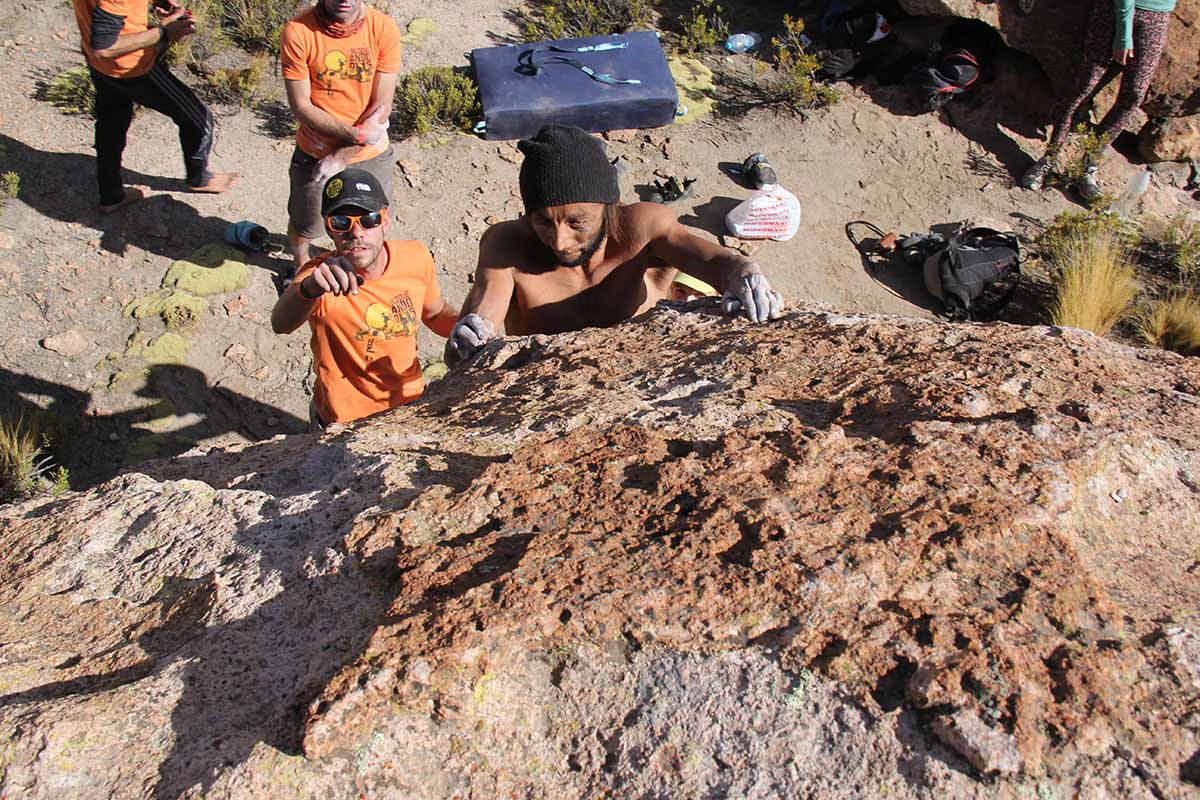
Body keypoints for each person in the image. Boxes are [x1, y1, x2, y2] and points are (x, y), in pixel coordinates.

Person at [446, 124, 784, 364]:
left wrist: (742, 271)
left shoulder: (642, 229)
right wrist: (468, 338)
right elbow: (478, 321)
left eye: (577, 223)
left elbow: (713, 262)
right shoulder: (507, 247)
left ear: (609, 207)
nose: (559, 241)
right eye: (543, 222)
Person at [271, 168, 458, 427]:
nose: (356, 232)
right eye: (341, 222)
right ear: (329, 229)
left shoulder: (415, 256)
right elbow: (280, 324)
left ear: (385, 220)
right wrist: (309, 289)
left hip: (410, 407)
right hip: (344, 422)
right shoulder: (321, 278)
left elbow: (435, 313)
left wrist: (468, 325)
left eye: (369, 219)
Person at [70, 0, 238, 213]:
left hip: (100, 66)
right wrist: (163, 33)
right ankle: (200, 178)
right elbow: (104, 47)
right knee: (198, 117)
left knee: (111, 125)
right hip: (131, 67)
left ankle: (111, 195)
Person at [279, 0, 402, 274]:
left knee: (371, 222)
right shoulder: (299, 31)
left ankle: (365, 274)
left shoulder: (383, 29)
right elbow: (301, 106)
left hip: (370, 153)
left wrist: (343, 154)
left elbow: (382, 104)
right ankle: (300, 266)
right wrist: (358, 134)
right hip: (316, 150)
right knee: (306, 224)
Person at [1020, 0, 1177, 201]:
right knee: (1084, 86)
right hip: (1112, 9)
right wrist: (1123, 35)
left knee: (1133, 96)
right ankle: (1049, 159)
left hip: (1157, 17)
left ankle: (1087, 166)